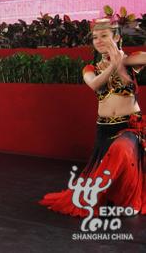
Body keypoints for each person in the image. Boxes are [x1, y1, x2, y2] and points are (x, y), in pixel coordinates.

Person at [40, 18, 146, 216]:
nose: (98, 40)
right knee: (103, 177)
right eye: (95, 37)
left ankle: (124, 198)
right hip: (105, 130)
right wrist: (114, 64)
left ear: (117, 37)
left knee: (122, 151)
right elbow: (96, 84)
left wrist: (121, 58)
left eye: (104, 36)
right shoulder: (90, 69)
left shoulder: (129, 61)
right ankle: (111, 200)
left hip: (129, 127)